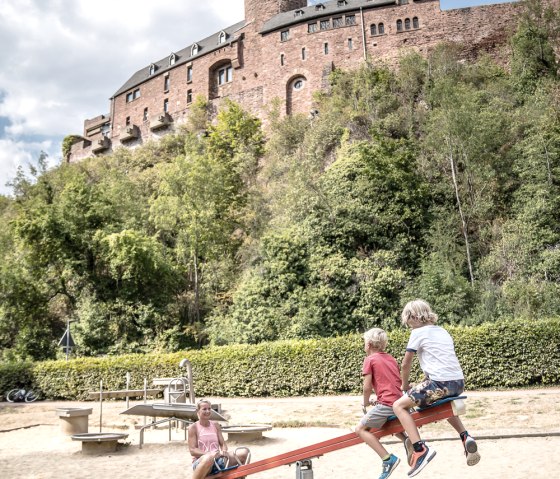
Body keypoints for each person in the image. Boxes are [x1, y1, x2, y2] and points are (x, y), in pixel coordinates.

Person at [392, 299, 481, 477]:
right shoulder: (442, 331)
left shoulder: (417, 332)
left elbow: (405, 364)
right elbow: (441, 360)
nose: (408, 325)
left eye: (408, 320)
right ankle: (465, 436)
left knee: (398, 406)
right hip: (457, 382)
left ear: (414, 317)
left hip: (440, 384)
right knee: (438, 404)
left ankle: (420, 449)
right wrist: (421, 383)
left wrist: (404, 385)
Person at [355, 327, 413, 479]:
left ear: (368, 344)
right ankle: (406, 439)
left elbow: (367, 387)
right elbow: (392, 384)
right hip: (398, 402)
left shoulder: (369, 360)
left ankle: (388, 459)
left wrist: (366, 402)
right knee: (387, 422)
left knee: (360, 429)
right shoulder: (390, 358)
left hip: (387, 404)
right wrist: (377, 400)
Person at [188, 399, 250, 479]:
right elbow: (192, 450)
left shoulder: (216, 425)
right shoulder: (193, 427)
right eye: (204, 409)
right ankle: (215, 477)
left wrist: (223, 451)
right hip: (202, 462)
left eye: (209, 409)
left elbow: (223, 444)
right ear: (198, 411)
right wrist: (209, 454)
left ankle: (240, 476)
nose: (207, 411)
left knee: (245, 452)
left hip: (218, 460)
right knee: (209, 457)